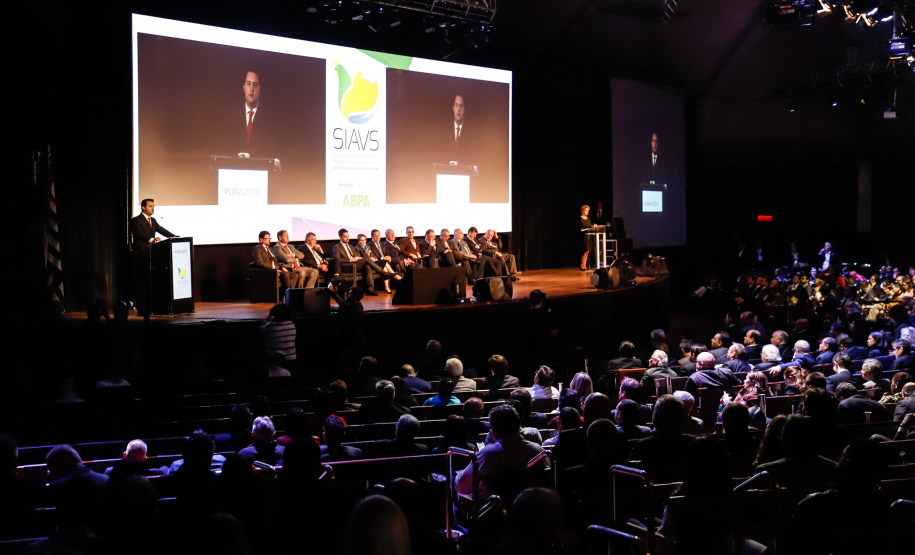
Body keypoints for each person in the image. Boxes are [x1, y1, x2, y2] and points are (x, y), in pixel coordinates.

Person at [454, 404, 547, 499]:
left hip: (492, 511)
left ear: (493, 430)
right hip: (530, 509)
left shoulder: (487, 454)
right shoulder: (538, 451)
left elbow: (460, 486)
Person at [130, 198, 177, 316]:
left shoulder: (154, 220)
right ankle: (140, 307)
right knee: (140, 283)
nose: (153, 208)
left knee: (149, 283)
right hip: (140, 256)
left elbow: (161, 230)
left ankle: (148, 306)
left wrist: (174, 236)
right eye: (150, 206)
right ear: (143, 207)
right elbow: (141, 233)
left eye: (153, 206)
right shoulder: (136, 220)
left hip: (151, 256)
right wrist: (152, 239)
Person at [333, 228, 378, 295]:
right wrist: (350, 260)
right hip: (346, 266)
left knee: (368, 265)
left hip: (355, 265)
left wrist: (357, 258)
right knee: (367, 259)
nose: (347, 238)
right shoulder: (337, 247)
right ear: (340, 237)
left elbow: (357, 256)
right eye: (345, 237)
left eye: (348, 236)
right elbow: (337, 259)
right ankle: (383, 272)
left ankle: (370, 290)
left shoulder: (351, 246)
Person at [579, 204, 596, 270]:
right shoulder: (580, 218)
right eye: (586, 210)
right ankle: (582, 265)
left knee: (588, 252)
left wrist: (593, 226)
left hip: (589, 236)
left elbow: (590, 225)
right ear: (582, 211)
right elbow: (583, 227)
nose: (587, 212)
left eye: (588, 211)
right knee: (585, 251)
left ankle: (584, 265)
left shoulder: (588, 218)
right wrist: (590, 227)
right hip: (584, 236)